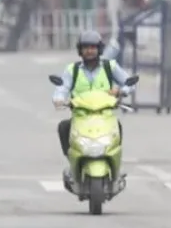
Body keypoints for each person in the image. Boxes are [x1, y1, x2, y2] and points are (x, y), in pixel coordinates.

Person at [51, 30, 135, 182]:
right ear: (80, 50)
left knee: (118, 127)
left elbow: (129, 83)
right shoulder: (73, 70)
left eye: (92, 47)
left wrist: (120, 90)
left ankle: (116, 167)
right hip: (80, 116)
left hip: (105, 116)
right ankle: (72, 163)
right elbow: (62, 88)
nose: (89, 51)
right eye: (85, 47)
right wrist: (58, 99)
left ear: (99, 49)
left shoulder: (110, 67)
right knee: (64, 127)